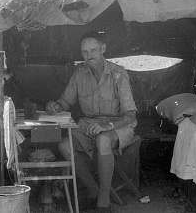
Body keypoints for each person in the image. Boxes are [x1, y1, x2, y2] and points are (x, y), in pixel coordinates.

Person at [46, 31, 137, 213]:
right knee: (65, 146)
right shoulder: (79, 73)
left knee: (103, 140)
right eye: (85, 52)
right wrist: (55, 106)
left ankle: (104, 202)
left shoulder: (118, 74)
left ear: (103, 49)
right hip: (89, 125)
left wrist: (107, 127)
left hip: (117, 125)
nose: (89, 55)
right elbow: (66, 102)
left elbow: (130, 115)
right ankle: (94, 191)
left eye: (93, 50)